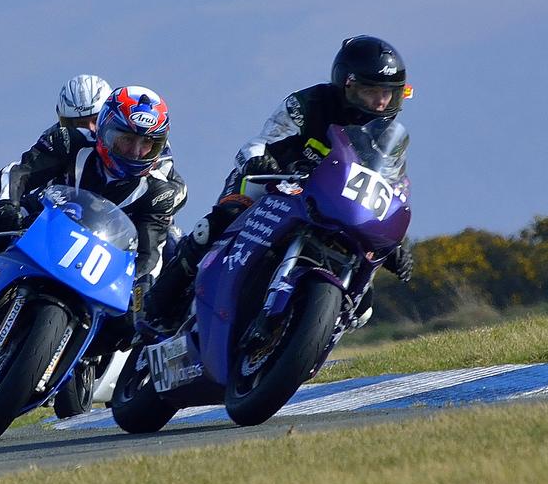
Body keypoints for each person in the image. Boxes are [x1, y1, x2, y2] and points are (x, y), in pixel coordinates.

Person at [142, 35, 415, 332]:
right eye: (371, 91)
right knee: (216, 225)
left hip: (332, 205)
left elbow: (389, 187)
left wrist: (395, 241)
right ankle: (157, 306)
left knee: (363, 304)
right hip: (274, 180)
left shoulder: (389, 139)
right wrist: (258, 161)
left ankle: (306, 334)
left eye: (389, 93)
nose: (381, 102)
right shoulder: (309, 103)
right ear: (346, 84)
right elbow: (262, 140)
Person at [0, 84, 187, 349]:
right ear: (105, 129)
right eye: (127, 139)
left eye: (147, 144)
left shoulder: (157, 192)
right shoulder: (71, 141)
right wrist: (7, 206)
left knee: (129, 324)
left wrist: (138, 287)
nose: (136, 151)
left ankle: (82, 366)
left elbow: (150, 254)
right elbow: (18, 173)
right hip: (40, 224)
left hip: (98, 262)